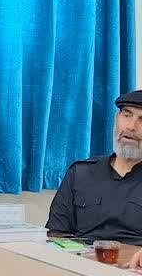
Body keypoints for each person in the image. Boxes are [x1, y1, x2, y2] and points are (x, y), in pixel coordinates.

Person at [50, 91, 142, 255]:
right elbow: (56, 234)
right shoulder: (80, 173)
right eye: (126, 115)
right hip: (81, 263)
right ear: (116, 119)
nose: (131, 126)